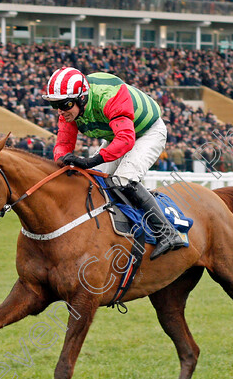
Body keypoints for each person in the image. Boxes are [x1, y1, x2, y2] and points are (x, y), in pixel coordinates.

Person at [43, 67, 186, 259]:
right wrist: (62, 162)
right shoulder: (69, 110)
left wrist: (89, 161)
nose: (60, 111)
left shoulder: (108, 95)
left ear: (82, 98)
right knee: (91, 182)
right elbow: (63, 144)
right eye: (55, 105)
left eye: (65, 104)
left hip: (147, 132)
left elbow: (126, 139)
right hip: (116, 135)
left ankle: (168, 233)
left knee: (122, 180)